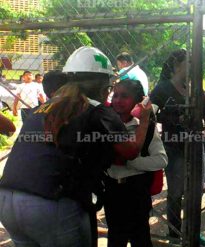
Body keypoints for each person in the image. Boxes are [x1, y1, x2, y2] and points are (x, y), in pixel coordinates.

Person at [0, 46, 151, 247]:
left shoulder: (45, 106)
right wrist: (145, 121)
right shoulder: (97, 110)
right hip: (50, 202)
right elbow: (131, 151)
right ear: (103, 85)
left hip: (8, 198)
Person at [150, 49, 205, 246]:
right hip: (174, 147)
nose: (192, 66)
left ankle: (193, 232)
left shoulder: (195, 88)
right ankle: (175, 234)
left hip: (195, 146)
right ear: (177, 65)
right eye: (188, 62)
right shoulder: (162, 89)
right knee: (176, 193)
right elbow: (150, 113)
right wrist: (171, 117)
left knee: (196, 191)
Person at [104, 79, 168, 247]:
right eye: (115, 95)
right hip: (111, 191)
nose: (117, 100)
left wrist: (131, 162)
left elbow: (161, 160)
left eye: (124, 96)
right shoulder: (105, 124)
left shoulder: (145, 127)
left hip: (136, 192)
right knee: (115, 238)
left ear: (138, 101)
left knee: (140, 238)